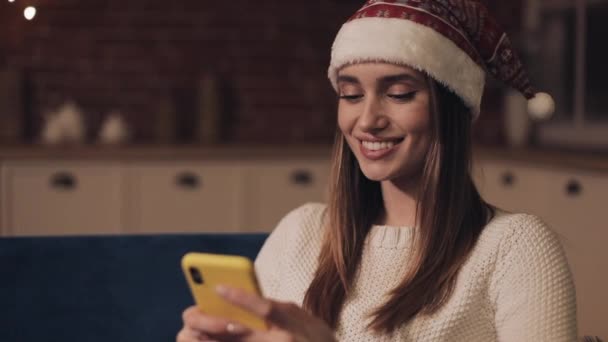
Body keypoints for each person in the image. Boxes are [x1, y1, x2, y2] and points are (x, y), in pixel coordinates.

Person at [177, 1, 577, 341]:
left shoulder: (515, 248)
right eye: (350, 95)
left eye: (399, 93)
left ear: (450, 106)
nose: (367, 119)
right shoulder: (299, 233)